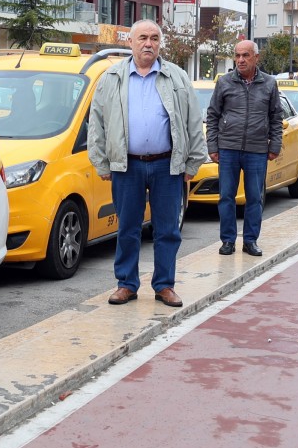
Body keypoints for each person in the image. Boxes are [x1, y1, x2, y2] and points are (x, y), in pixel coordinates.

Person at [88, 20, 206, 308]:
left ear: (160, 43)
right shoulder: (111, 77)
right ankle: (126, 284)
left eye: (154, 38)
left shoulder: (176, 77)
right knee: (127, 227)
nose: (148, 43)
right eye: (142, 38)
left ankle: (164, 285)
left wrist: (193, 162)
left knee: (167, 229)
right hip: (127, 167)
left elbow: (193, 121)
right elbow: (97, 123)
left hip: (167, 166)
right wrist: (101, 162)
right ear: (131, 42)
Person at [206, 39, 283, 257]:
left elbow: (276, 117)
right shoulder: (224, 82)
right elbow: (212, 115)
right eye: (237, 55)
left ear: (256, 58)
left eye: (245, 55)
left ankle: (250, 240)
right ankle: (228, 240)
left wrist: (275, 144)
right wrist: (213, 145)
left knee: (255, 198)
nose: (240, 60)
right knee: (226, 197)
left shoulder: (269, 83)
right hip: (228, 148)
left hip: (257, 150)